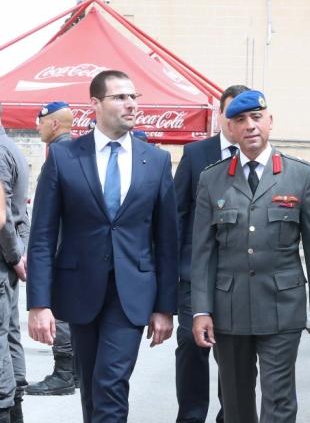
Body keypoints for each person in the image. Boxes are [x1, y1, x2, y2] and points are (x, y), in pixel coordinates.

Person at [27, 70, 179, 423]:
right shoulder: (65, 158)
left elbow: (167, 240)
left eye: (134, 97)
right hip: (80, 291)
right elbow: (43, 237)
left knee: (111, 383)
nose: (131, 104)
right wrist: (38, 303)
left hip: (132, 294)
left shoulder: (155, 161)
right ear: (95, 103)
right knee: (94, 389)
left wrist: (165, 307)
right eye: (120, 97)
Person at [191, 90, 310, 423]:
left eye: (256, 118)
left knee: (279, 399)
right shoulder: (212, 179)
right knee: (236, 400)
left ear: (270, 121)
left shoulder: (300, 174)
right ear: (230, 129)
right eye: (240, 120)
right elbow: (203, 251)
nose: (250, 126)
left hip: (282, 305)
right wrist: (201, 310)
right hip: (229, 309)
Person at [173, 84, 249, 423]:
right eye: (232, 113)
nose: (239, 122)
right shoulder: (195, 155)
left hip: (240, 275)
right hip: (196, 274)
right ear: (220, 116)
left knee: (235, 354)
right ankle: (191, 416)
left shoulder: (260, 157)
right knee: (191, 346)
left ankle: (228, 415)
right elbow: (177, 214)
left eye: (247, 115)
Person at [27, 102, 80, 398]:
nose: (37, 126)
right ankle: (76, 374)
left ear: (55, 124)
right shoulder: (77, 153)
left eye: (41, 121)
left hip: (60, 250)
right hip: (74, 250)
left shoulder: (58, 156)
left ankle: (63, 375)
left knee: (60, 314)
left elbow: (49, 218)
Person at [0, 103, 30, 423]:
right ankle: (13, 404)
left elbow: (3, 216)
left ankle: (7, 408)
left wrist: (14, 254)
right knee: (8, 335)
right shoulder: (10, 146)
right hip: (8, 257)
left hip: (3, 256)